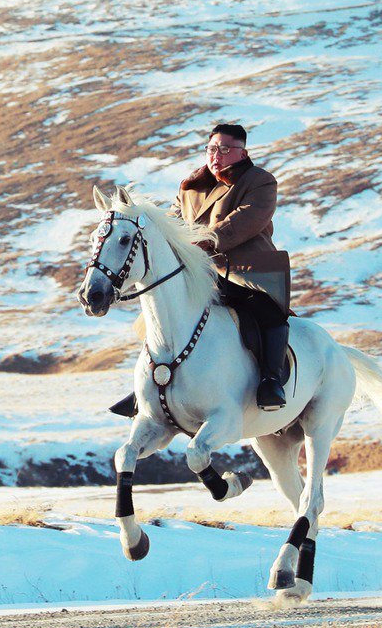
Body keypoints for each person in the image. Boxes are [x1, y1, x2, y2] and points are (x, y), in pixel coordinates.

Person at [110, 123, 291, 417]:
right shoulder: (191, 186)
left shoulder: (260, 182)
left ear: (242, 153)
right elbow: (172, 222)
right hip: (199, 272)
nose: (216, 155)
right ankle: (150, 385)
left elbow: (244, 221)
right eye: (211, 148)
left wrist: (201, 240)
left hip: (246, 271)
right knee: (157, 318)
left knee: (268, 314)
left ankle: (271, 381)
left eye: (224, 149)